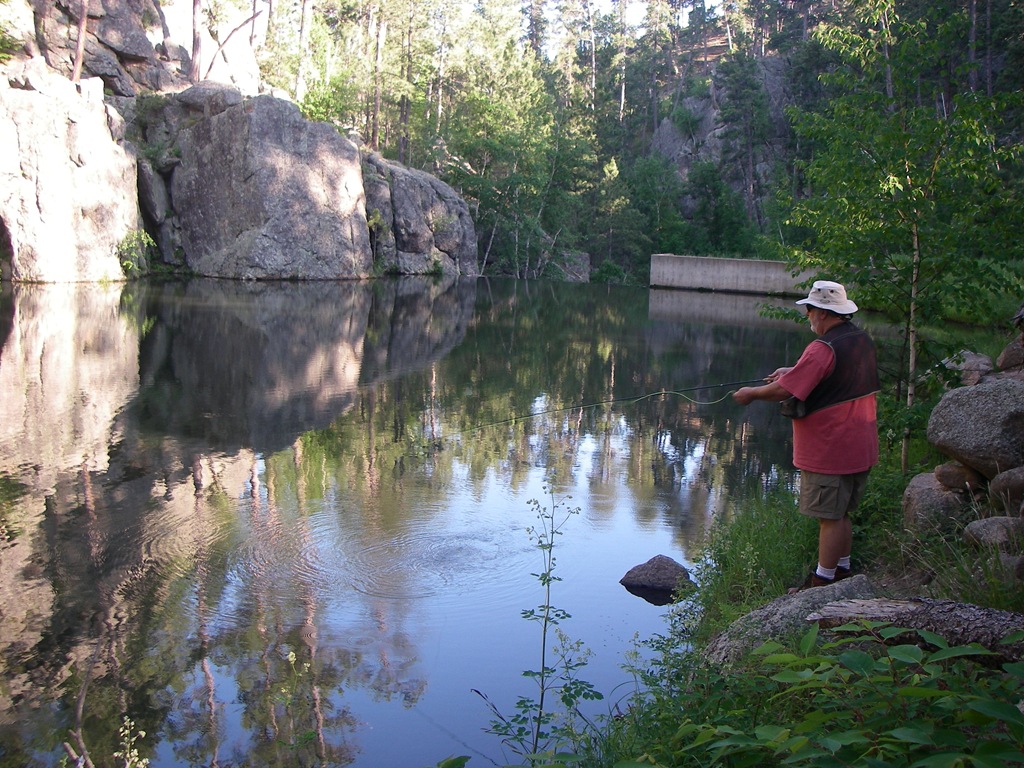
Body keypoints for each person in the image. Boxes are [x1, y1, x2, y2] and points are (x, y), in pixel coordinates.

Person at [732, 280, 879, 591]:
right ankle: (841, 569)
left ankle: (822, 581)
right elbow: (827, 375)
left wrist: (753, 394)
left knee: (829, 517)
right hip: (860, 443)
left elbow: (787, 390)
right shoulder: (859, 339)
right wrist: (794, 369)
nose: (808, 316)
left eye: (809, 310)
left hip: (831, 447)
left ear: (823, 313)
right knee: (841, 513)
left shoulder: (822, 347)